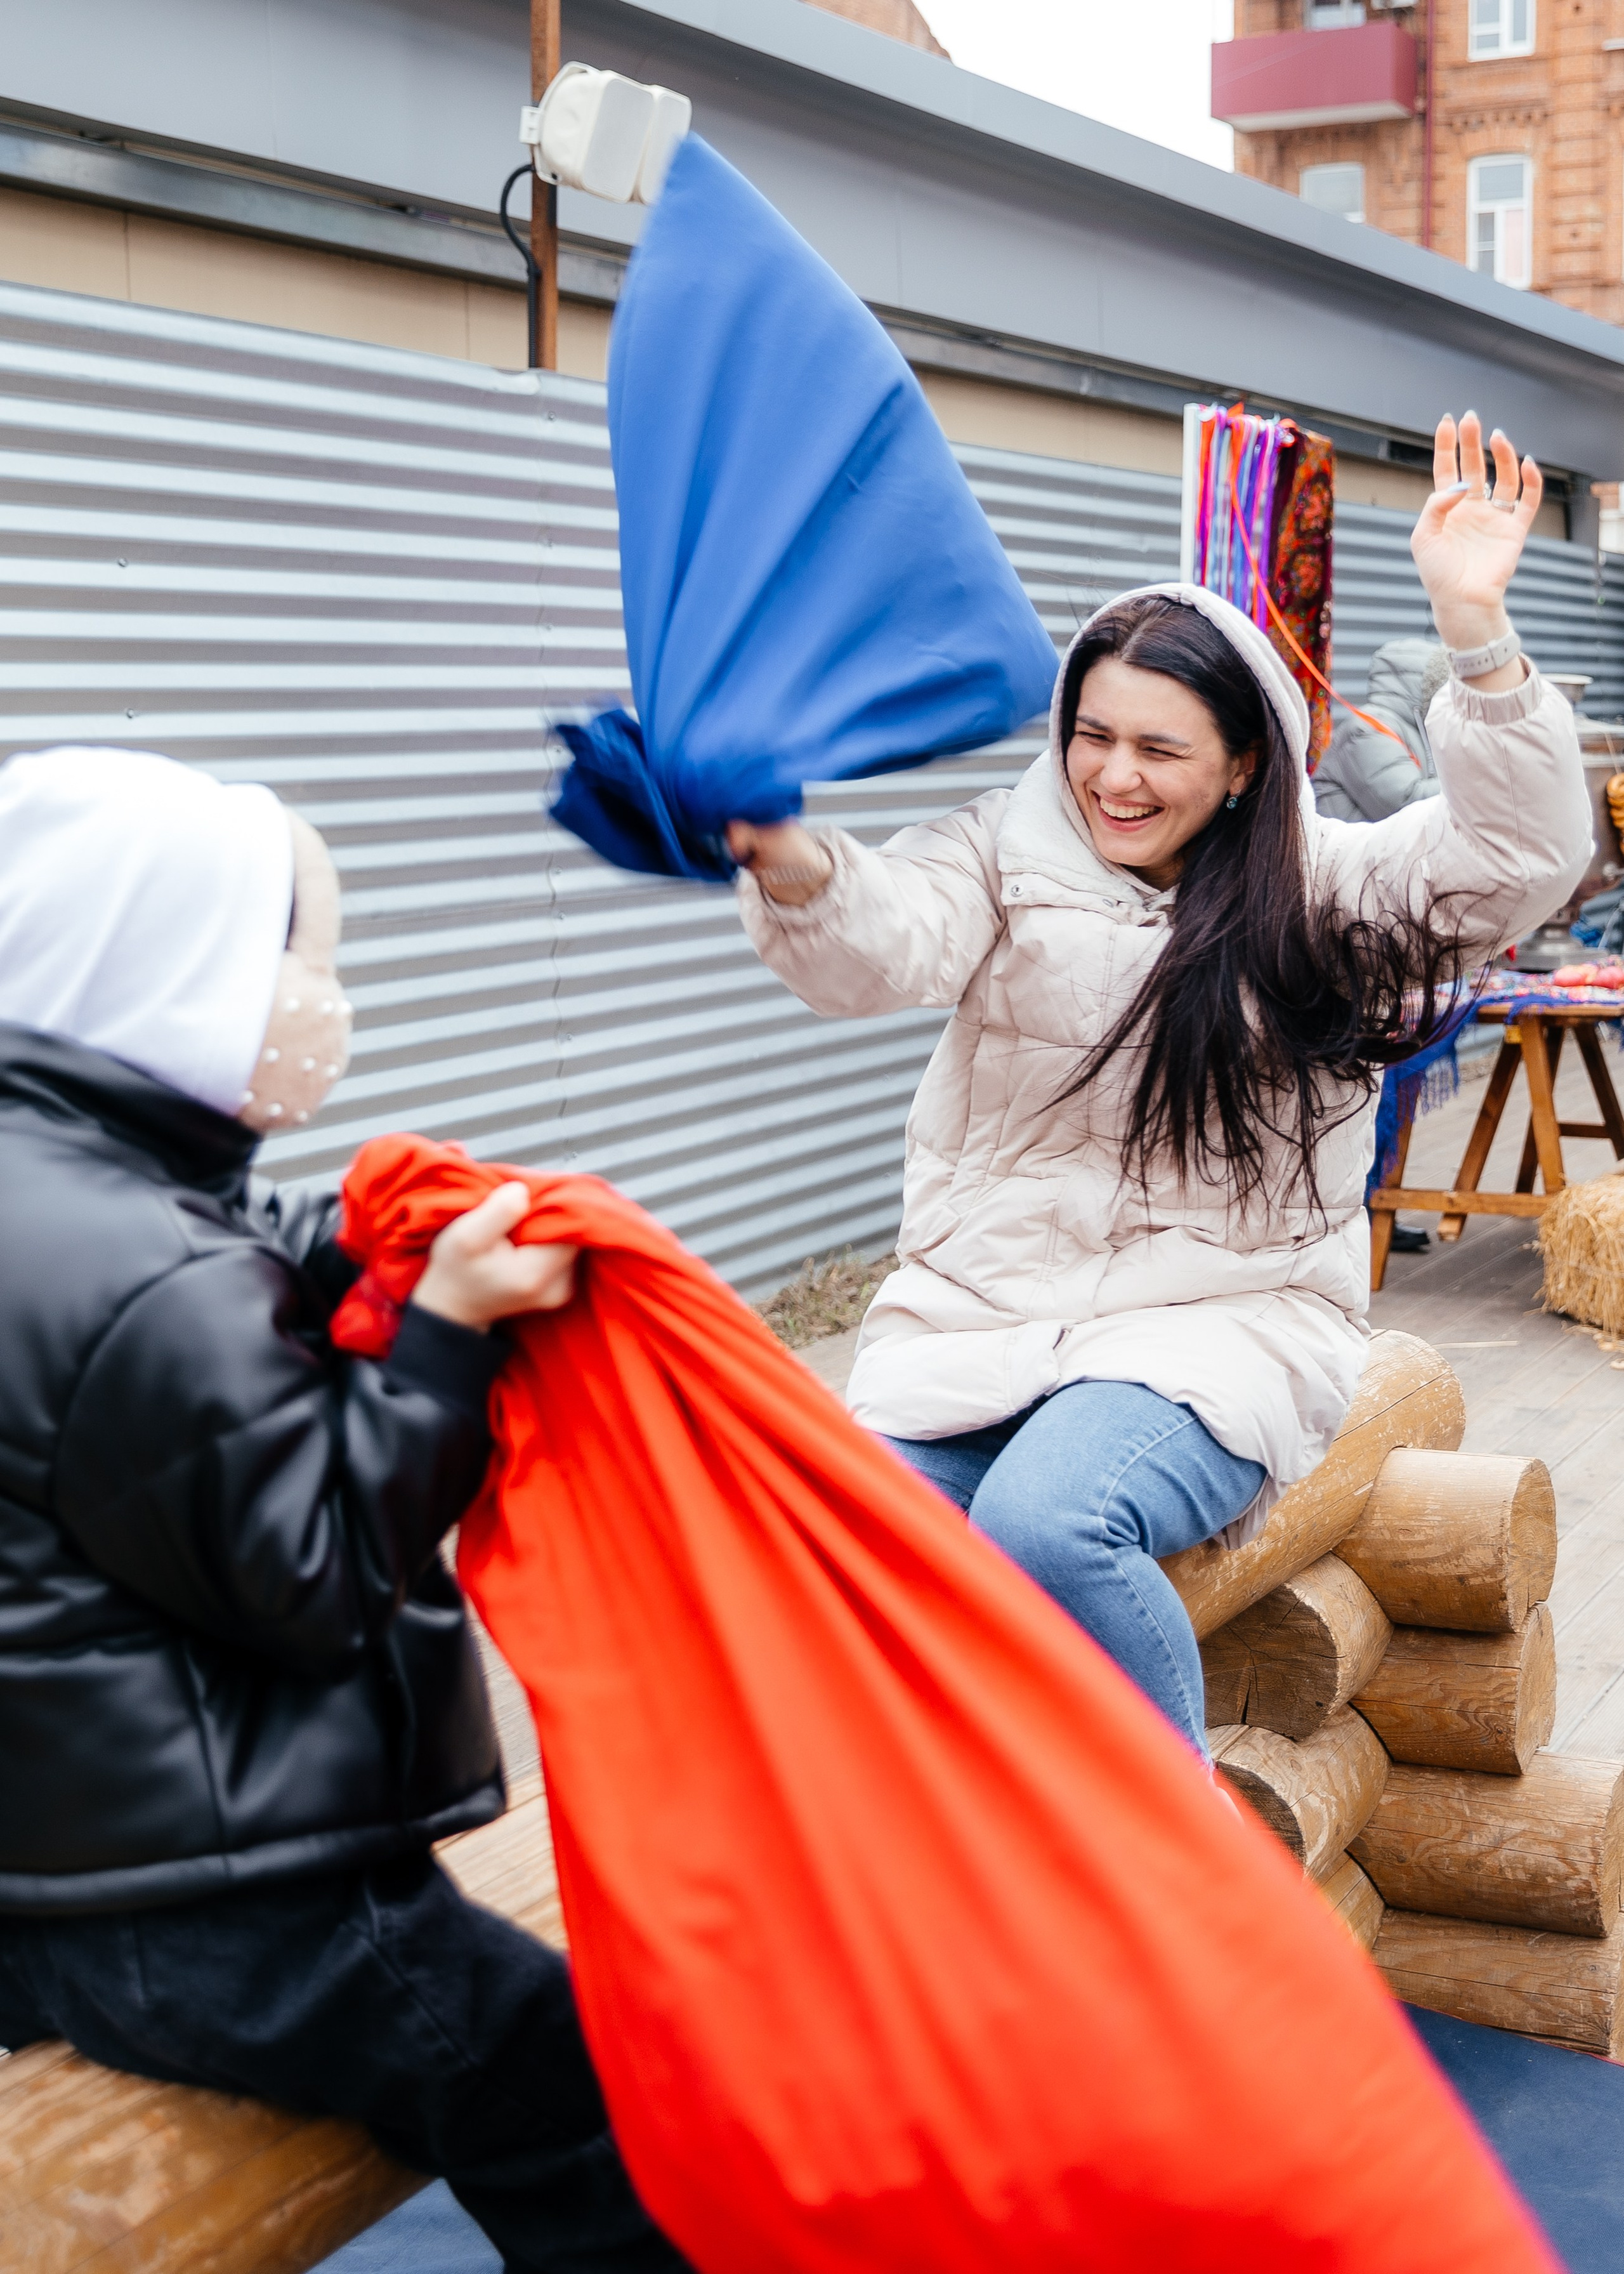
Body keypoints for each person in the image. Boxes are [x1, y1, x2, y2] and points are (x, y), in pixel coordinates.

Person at [727, 412, 1590, 1758]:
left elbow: (1516, 850)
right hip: (980, 1314)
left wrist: (1473, 632)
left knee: (1049, 1520)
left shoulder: (1328, 889)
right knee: (843, 1547)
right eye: (1092, 735)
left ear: (1243, 762)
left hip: (1219, 1324)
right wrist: (789, 859)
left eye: (1159, 748)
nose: (1112, 777)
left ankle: (1170, 1883)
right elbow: (874, 936)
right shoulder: (999, 854)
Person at [0, 747, 687, 2274]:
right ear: (167, 976)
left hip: (53, 1852)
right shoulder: (154, 1284)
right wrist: (439, 1333)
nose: (324, 997)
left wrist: (355, 1239)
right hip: (214, 1905)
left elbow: (213, 1250)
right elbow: (314, 1570)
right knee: (562, 2080)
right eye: (299, 959)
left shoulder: (70, 1186)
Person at [1311, 636, 1451, 823]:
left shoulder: (1418, 730)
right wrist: (1476, 785)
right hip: (1349, 851)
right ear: (1430, 688)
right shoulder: (1366, 731)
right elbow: (1405, 805)